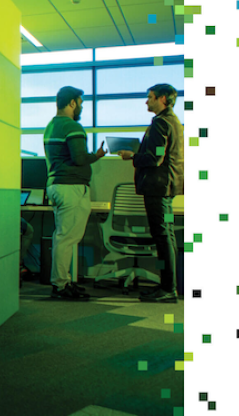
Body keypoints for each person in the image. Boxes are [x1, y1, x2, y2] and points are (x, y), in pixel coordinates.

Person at [116, 83, 183, 303]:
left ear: (163, 99)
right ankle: (168, 287)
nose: (147, 101)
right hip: (167, 190)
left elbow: (155, 158)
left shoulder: (161, 124)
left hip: (157, 189)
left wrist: (132, 156)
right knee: (167, 235)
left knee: (162, 237)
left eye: (150, 97)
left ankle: (167, 289)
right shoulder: (173, 122)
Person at [44, 86, 106, 300]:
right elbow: (79, 158)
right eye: (80, 102)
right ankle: (60, 285)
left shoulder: (51, 126)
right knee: (66, 239)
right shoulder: (73, 127)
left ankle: (64, 281)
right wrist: (96, 156)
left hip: (55, 185)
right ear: (72, 103)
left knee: (63, 237)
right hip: (71, 188)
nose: (81, 107)